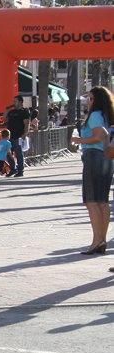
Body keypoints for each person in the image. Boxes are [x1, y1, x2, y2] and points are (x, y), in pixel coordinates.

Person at [70, 86, 114, 255]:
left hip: (93, 156)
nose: (87, 101)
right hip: (106, 158)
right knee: (103, 201)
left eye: (90, 98)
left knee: (92, 201)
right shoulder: (106, 115)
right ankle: (101, 240)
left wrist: (78, 139)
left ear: (96, 100)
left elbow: (99, 135)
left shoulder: (95, 115)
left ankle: (97, 241)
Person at [5, 95, 30, 177]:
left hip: (18, 136)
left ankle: (20, 170)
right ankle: (13, 169)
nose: (14, 103)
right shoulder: (11, 112)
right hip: (9, 136)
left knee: (18, 153)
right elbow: (4, 117)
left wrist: (25, 133)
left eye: (15, 101)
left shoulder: (24, 112)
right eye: (13, 101)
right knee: (8, 153)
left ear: (20, 102)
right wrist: (8, 109)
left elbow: (27, 123)